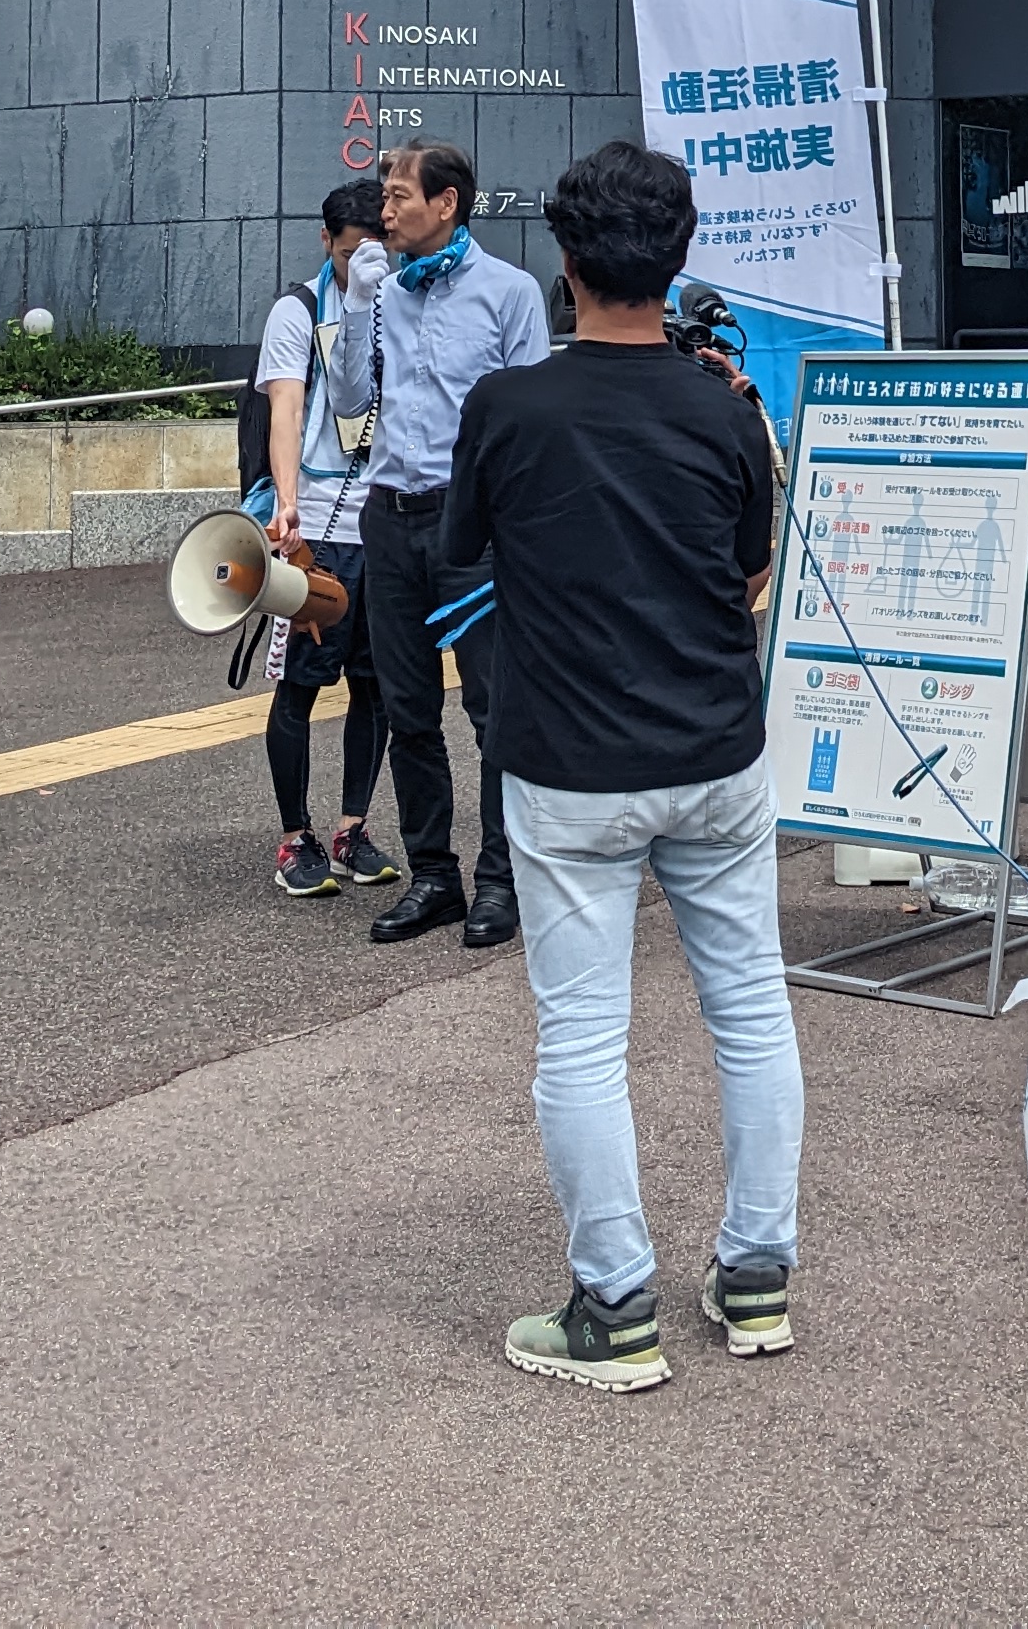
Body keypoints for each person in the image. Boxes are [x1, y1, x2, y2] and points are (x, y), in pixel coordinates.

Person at [443, 140, 793, 1392]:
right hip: (717, 751)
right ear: (680, 257)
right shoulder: (725, 408)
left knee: (584, 1037)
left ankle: (616, 1304)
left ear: (566, 260)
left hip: (569, 763)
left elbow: (466, 547)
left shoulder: (509, 408)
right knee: (750, 1009)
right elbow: (751, 572)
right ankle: (757, 1279)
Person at [329, 139, 548, 948]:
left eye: (398, 197)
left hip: (474, 522)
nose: (383, 213)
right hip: (390, 516)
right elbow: (348, 397)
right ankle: (433, 875)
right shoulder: (383, 291)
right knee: (407, 706)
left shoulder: (509, 292)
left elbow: (528, 421)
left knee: (494, 711)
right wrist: (357, 304)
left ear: (446, 203)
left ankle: (501, 878)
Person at [251, 179, 394, 896]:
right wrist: (286, 504)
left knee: (377, 685)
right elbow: (285, 407)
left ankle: (351, 828)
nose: (361, 266)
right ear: (325, 242)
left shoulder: (403, 300)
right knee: (301, 685)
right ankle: (293, 837)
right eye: (348, 254)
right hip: (318, 521)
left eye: (375, 252)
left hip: (387, 519)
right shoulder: (299, 310)